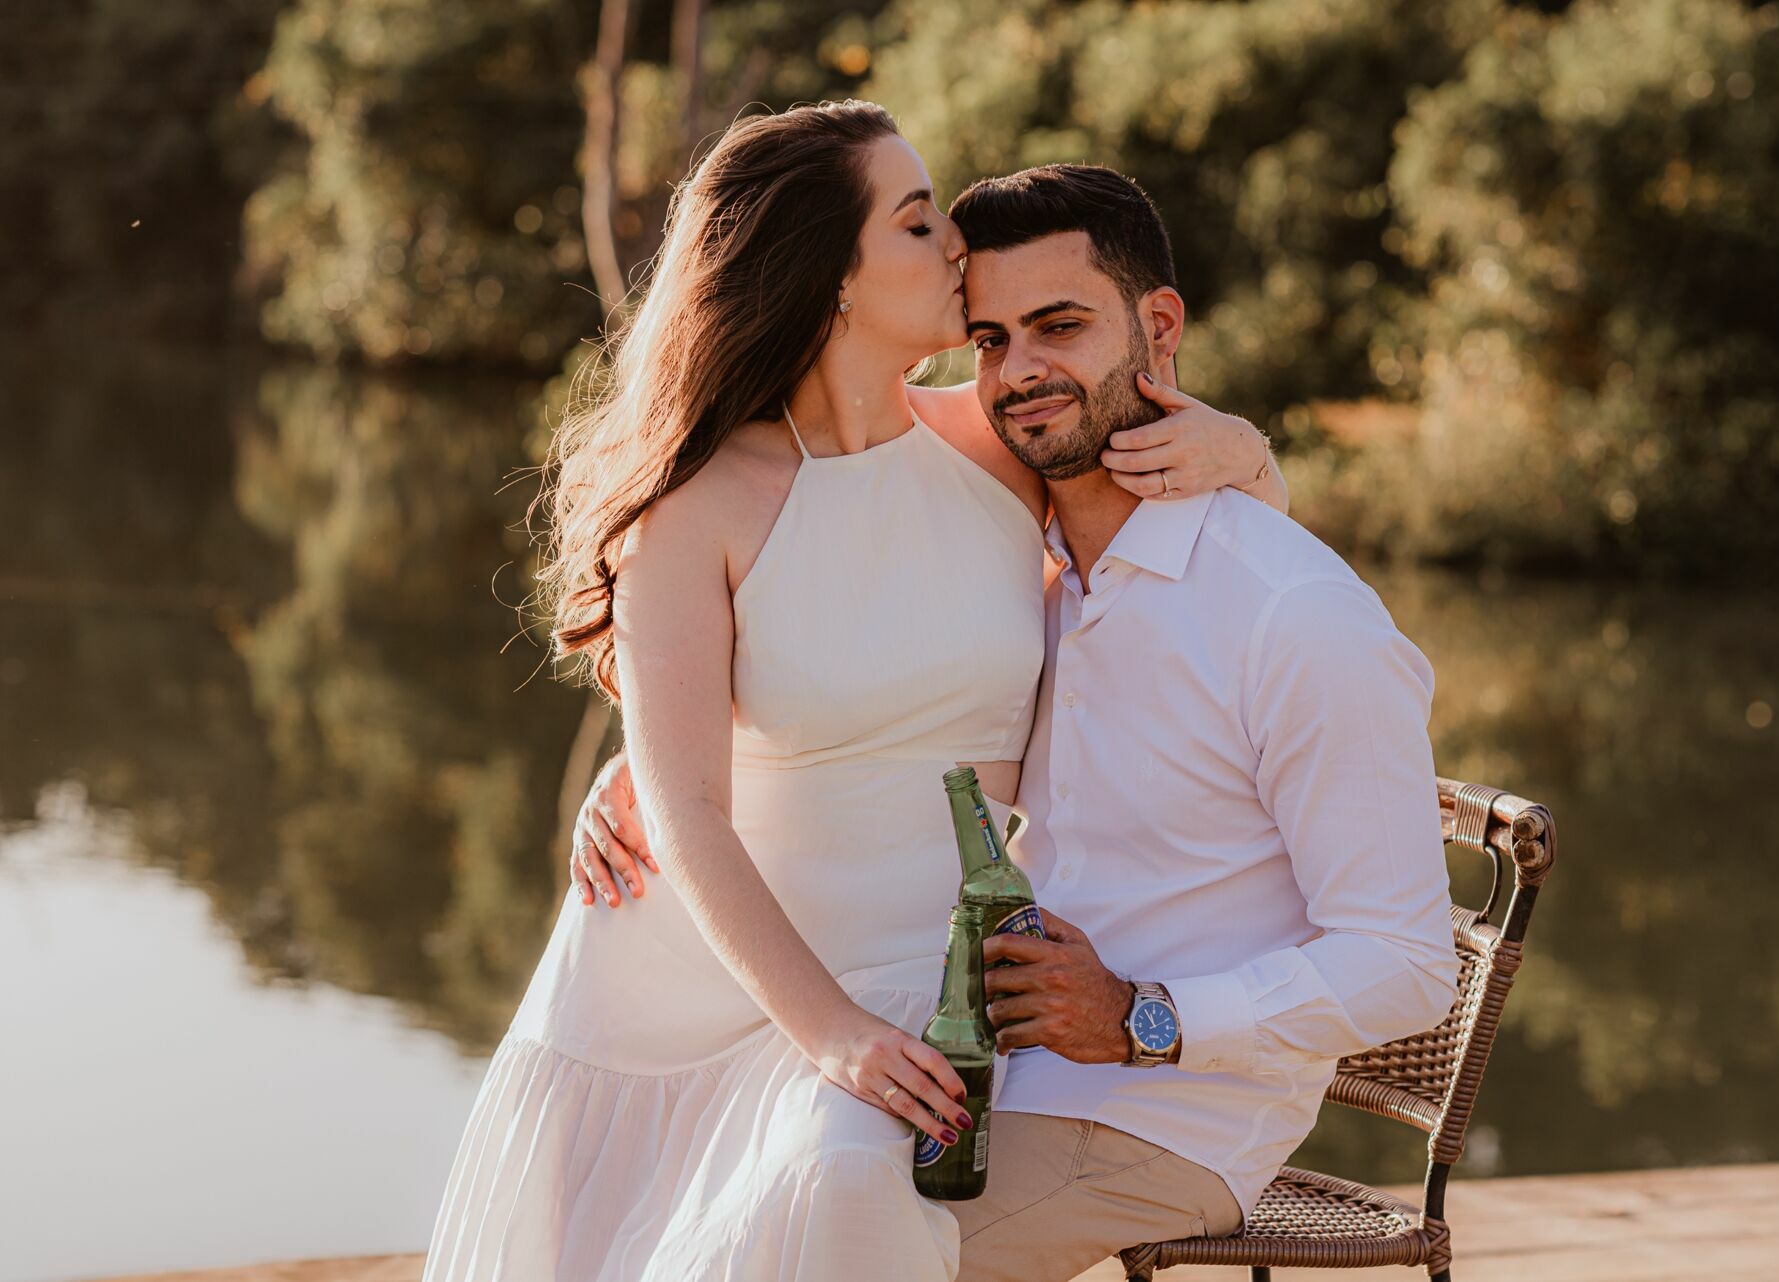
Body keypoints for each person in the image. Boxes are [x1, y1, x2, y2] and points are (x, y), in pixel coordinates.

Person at [421, 103, 1287, 1282]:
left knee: (842, 1186)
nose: (957, 247)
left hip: (920, 972)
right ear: (831, 274)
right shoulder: (695, 507)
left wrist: (1248, 456)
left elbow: (1219, 586)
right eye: (920, 223)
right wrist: (828, 1030)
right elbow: (688, 809)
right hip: (704, 987)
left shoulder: (1005, 449)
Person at [575, 164, 1460, 1282]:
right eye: (991, 339)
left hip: (1164, 1113)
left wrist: (1142, 1017)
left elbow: (1405, 965)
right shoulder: (1029, 578)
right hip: (979, 1062)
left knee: (804, 1256)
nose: (1022, 370)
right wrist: (667, 760)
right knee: (678, 1213)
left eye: (1061, 326)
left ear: (1159, 327)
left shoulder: (1298, 616)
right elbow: (838, 664)